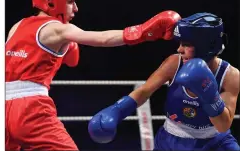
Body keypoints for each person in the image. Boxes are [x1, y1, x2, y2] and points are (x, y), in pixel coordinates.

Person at [5, 0, 181, 151]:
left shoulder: (18, 25)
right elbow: (103, 39)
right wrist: (143, 31)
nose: (75, 8)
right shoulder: (59, 28)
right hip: (30, 107)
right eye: (71, 1)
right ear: (52, 0)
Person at [88, 13, 240, 150]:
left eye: (186, 44)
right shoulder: (174, 63)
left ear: (205, 46)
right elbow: (144, 91)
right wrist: (117, 110)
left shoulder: (230, 75)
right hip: (171, 141)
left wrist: (209, 95)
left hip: (214, 142)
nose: (179, 49)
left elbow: (223, 126)